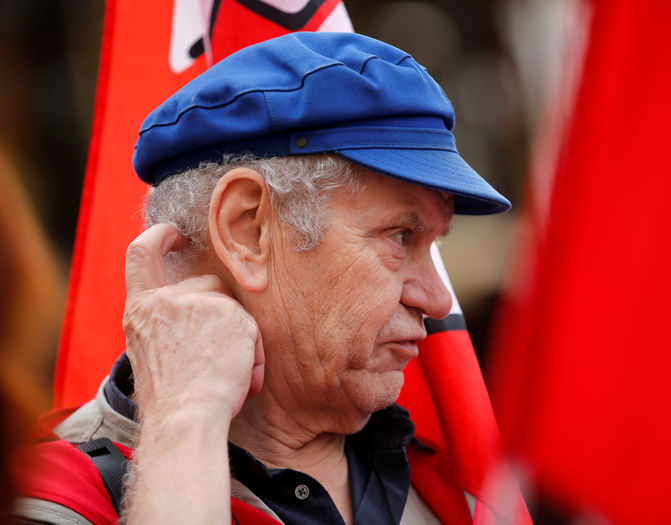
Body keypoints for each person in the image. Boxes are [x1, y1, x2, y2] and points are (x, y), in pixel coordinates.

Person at [12, 32, 511, 524]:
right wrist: (185, 422)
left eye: (434, 246)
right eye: (401, 237)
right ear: (247, 229)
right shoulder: (46, 500)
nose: (439, 299)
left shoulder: (458, 476)